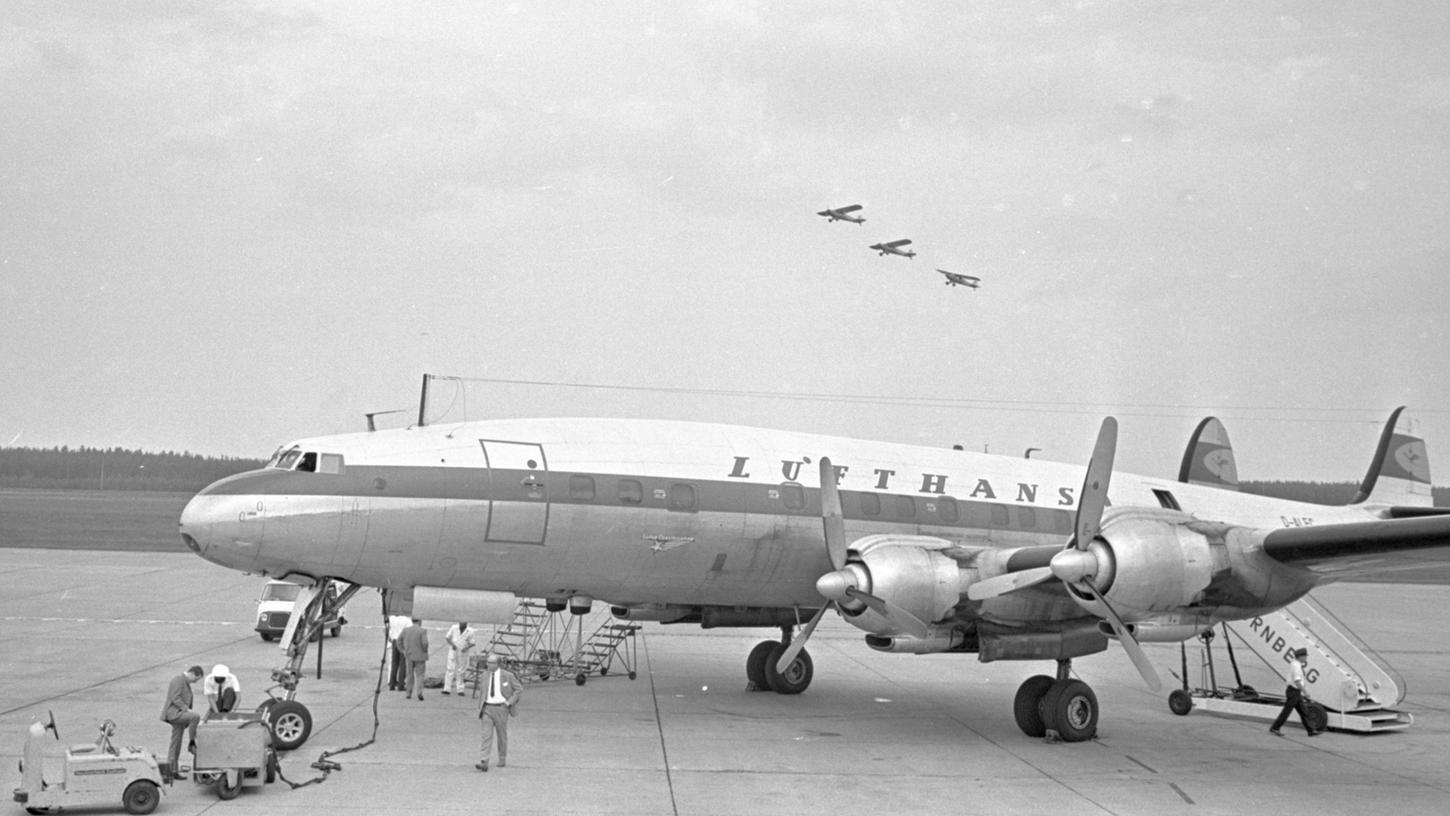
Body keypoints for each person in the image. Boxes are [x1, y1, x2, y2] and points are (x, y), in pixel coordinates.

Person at [475, 653, 522, 772]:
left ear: (498, 664)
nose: (489, 665)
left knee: (502, 735)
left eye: (492, 663)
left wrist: (509, 702)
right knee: (486, 735)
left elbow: (518, 689)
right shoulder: (484, 676)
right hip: (487, 708)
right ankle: (484, 760)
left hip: (501, 708)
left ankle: (502, 757)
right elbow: (482, 692)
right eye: (488, 662)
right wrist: (481, 706)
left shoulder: (508, 675)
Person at [159, 665, 204, 777]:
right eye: (196, 679)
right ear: (192, 673)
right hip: (174, 713)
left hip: (178, 714)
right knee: (195, 717)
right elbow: (175, 697)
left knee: (176, 743)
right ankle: (192, 742)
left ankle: (172, 770)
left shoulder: (185, 682)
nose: (196, 682)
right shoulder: (178, 680)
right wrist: (186, 709)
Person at [1270, 647, 1322, 736]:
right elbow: (1297, 681)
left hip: (1295, 692)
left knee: (1303, 711)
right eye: (1305, 656)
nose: (1306, 658)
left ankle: (1311, 730)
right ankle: (1275, 728)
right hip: (1293, 691)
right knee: (1287, 711)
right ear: (1300, 656)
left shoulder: (1296, 664)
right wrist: (1305, 692)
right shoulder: (1296, 666)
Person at [398, 616, 430, 700]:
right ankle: (419, 692)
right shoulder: (422, 631)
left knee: (409, 675)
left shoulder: (406, 630)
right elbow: (425, 643)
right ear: (419, 621)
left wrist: (403, 650)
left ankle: (408, 692)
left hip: (409, 655)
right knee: (420, 675)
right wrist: (425, 650)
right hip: (420, 656)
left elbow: (398, 641)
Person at [443, 621, 477, 696]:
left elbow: (472, 643)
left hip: (463, 651)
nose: (461, 624)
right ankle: (447, 688)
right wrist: (452, 644)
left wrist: (466, 647)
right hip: (453, 650)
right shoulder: (454, 627)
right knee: (450, 669)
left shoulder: (470, 631)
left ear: (466, 623)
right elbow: (447, 637)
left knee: (461, 670)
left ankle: (460, 689)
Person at [388, 613, 412, 691]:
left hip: (394, 640)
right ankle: (401, 684)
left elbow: (388, 628)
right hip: (403, 641)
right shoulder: (406, 619)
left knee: (394, 663)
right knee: (403, 664)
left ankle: (392, 683)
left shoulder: (391, 618)